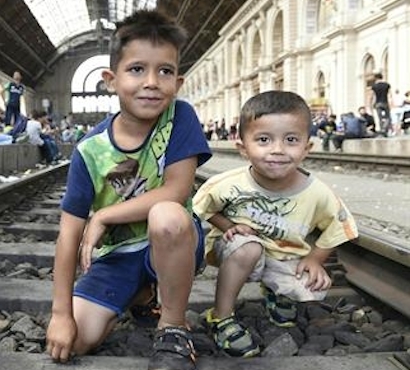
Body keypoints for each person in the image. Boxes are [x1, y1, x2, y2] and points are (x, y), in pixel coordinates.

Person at [45, 10, 211, 370]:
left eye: (164, 71)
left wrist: (104, 214)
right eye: (137, 69)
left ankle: (171, 329)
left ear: (178, 83)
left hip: (167, 243)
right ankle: (140, 294)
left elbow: (177, 190)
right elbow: (69, 233)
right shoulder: (90, 150)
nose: (152, 82)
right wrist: (60, 313)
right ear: (110, 79)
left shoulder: (179, 118)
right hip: (117, 256)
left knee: (167, 216)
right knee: (76, 340)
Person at [193, 90, 359, 358]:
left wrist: (316, 259)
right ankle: (221, 316)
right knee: (248, 248)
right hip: (240, 250)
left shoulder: (317, 192)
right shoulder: (227, 184)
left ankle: (276, 292)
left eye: (291, 140)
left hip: (284, 257)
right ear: (243, 147)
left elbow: (341, 226)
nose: (278, 150)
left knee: (313, 286)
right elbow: (202, 207)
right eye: (263, 140)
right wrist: (228, 226)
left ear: (307, 148)